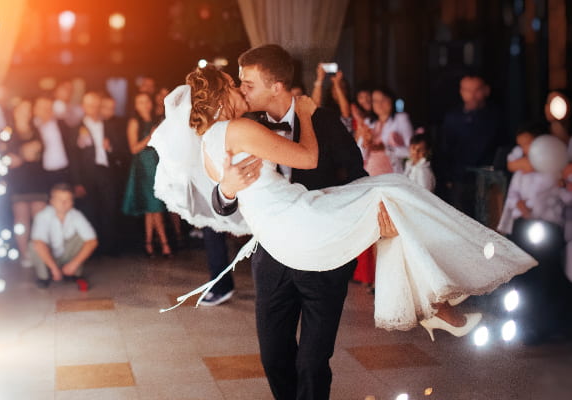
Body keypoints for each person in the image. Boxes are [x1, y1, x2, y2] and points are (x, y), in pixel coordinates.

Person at [150, 60, 535, 399]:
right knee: (274, 356)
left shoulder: (318, 122)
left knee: (315, 360)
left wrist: (369, 217)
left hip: (317, 239)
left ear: (276, 85)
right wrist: (228, 187)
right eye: (236, 84)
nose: (241, 88)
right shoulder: (240, 128)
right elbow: (226, 197)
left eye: (246, 82)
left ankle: (431, 300)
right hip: (281, 245)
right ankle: (435, 300)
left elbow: (353, 173)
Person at [497, 127, 572, 344]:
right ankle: (524, 323)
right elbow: (512, 198)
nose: (525, 149)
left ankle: (545, 325)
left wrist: (564, 186)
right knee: (526, 278)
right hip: (525, 227)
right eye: (522, 145)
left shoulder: (555, 169)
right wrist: (522, 208)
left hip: (549, 228)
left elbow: (566, 200)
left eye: (529, 143)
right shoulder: (522, 172)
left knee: (545, 277)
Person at [437, 75, 506, 217]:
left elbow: (503, 146)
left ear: (486, 90)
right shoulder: (453, 117)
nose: (472, 95)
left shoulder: (496, 116)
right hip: (460, 178)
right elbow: (446, 148)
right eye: (467, 90)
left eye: (477, 90)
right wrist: (448, 177)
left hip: (489, 179)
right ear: (461, 92)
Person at [121, 92, 171, 257]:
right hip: (143, 165)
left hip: (157, 163)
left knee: (152, 208)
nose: (144, 105)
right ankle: (165, 244)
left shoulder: (158, 119)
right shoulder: (134, 122)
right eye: (139, 102)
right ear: (135, 105)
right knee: (154, 205)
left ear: (150, 103)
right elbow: (133, 148)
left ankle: (149, 243)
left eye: (146, 101)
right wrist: (151, 136)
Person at [75, 92, 120, 256]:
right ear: (83, 107)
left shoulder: (108, 125)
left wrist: (110, 147)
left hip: (106, 171)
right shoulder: (77, 128)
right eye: (89, 105)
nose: (93, 108)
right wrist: (77, 181)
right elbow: (74, 157)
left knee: (109, 208)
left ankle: (110, 248)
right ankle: (94, 250)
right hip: (87, 174)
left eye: (96, 105)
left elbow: (119, 149)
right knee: (90, 210)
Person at [29, 183, 98, 290]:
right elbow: (38, 243)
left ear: (72, 202)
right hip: (49, 256)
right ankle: (44, 277)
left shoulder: (76, 215)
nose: (64, 203)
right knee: (33, 245)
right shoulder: (42, 216)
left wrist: (74, 264)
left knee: (83, 239)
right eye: (59, 200)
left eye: (67, 200)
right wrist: (54, 268)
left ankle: (74, 274)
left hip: (67, 256)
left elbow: (92, 241)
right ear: (51, 202)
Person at [6, 99, 48, 267]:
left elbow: (38, 152)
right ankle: (25, 255)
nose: (27, 113)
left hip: (36, 178)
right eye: (23, 109)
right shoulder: (8, 132)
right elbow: (9, 158)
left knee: (40, 218)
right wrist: (24, 153)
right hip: (18, 181)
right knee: (21, 220)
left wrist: (23, 154)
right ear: (15, 111)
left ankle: (41, 253)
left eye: (29, 109)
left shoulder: (36, 130)